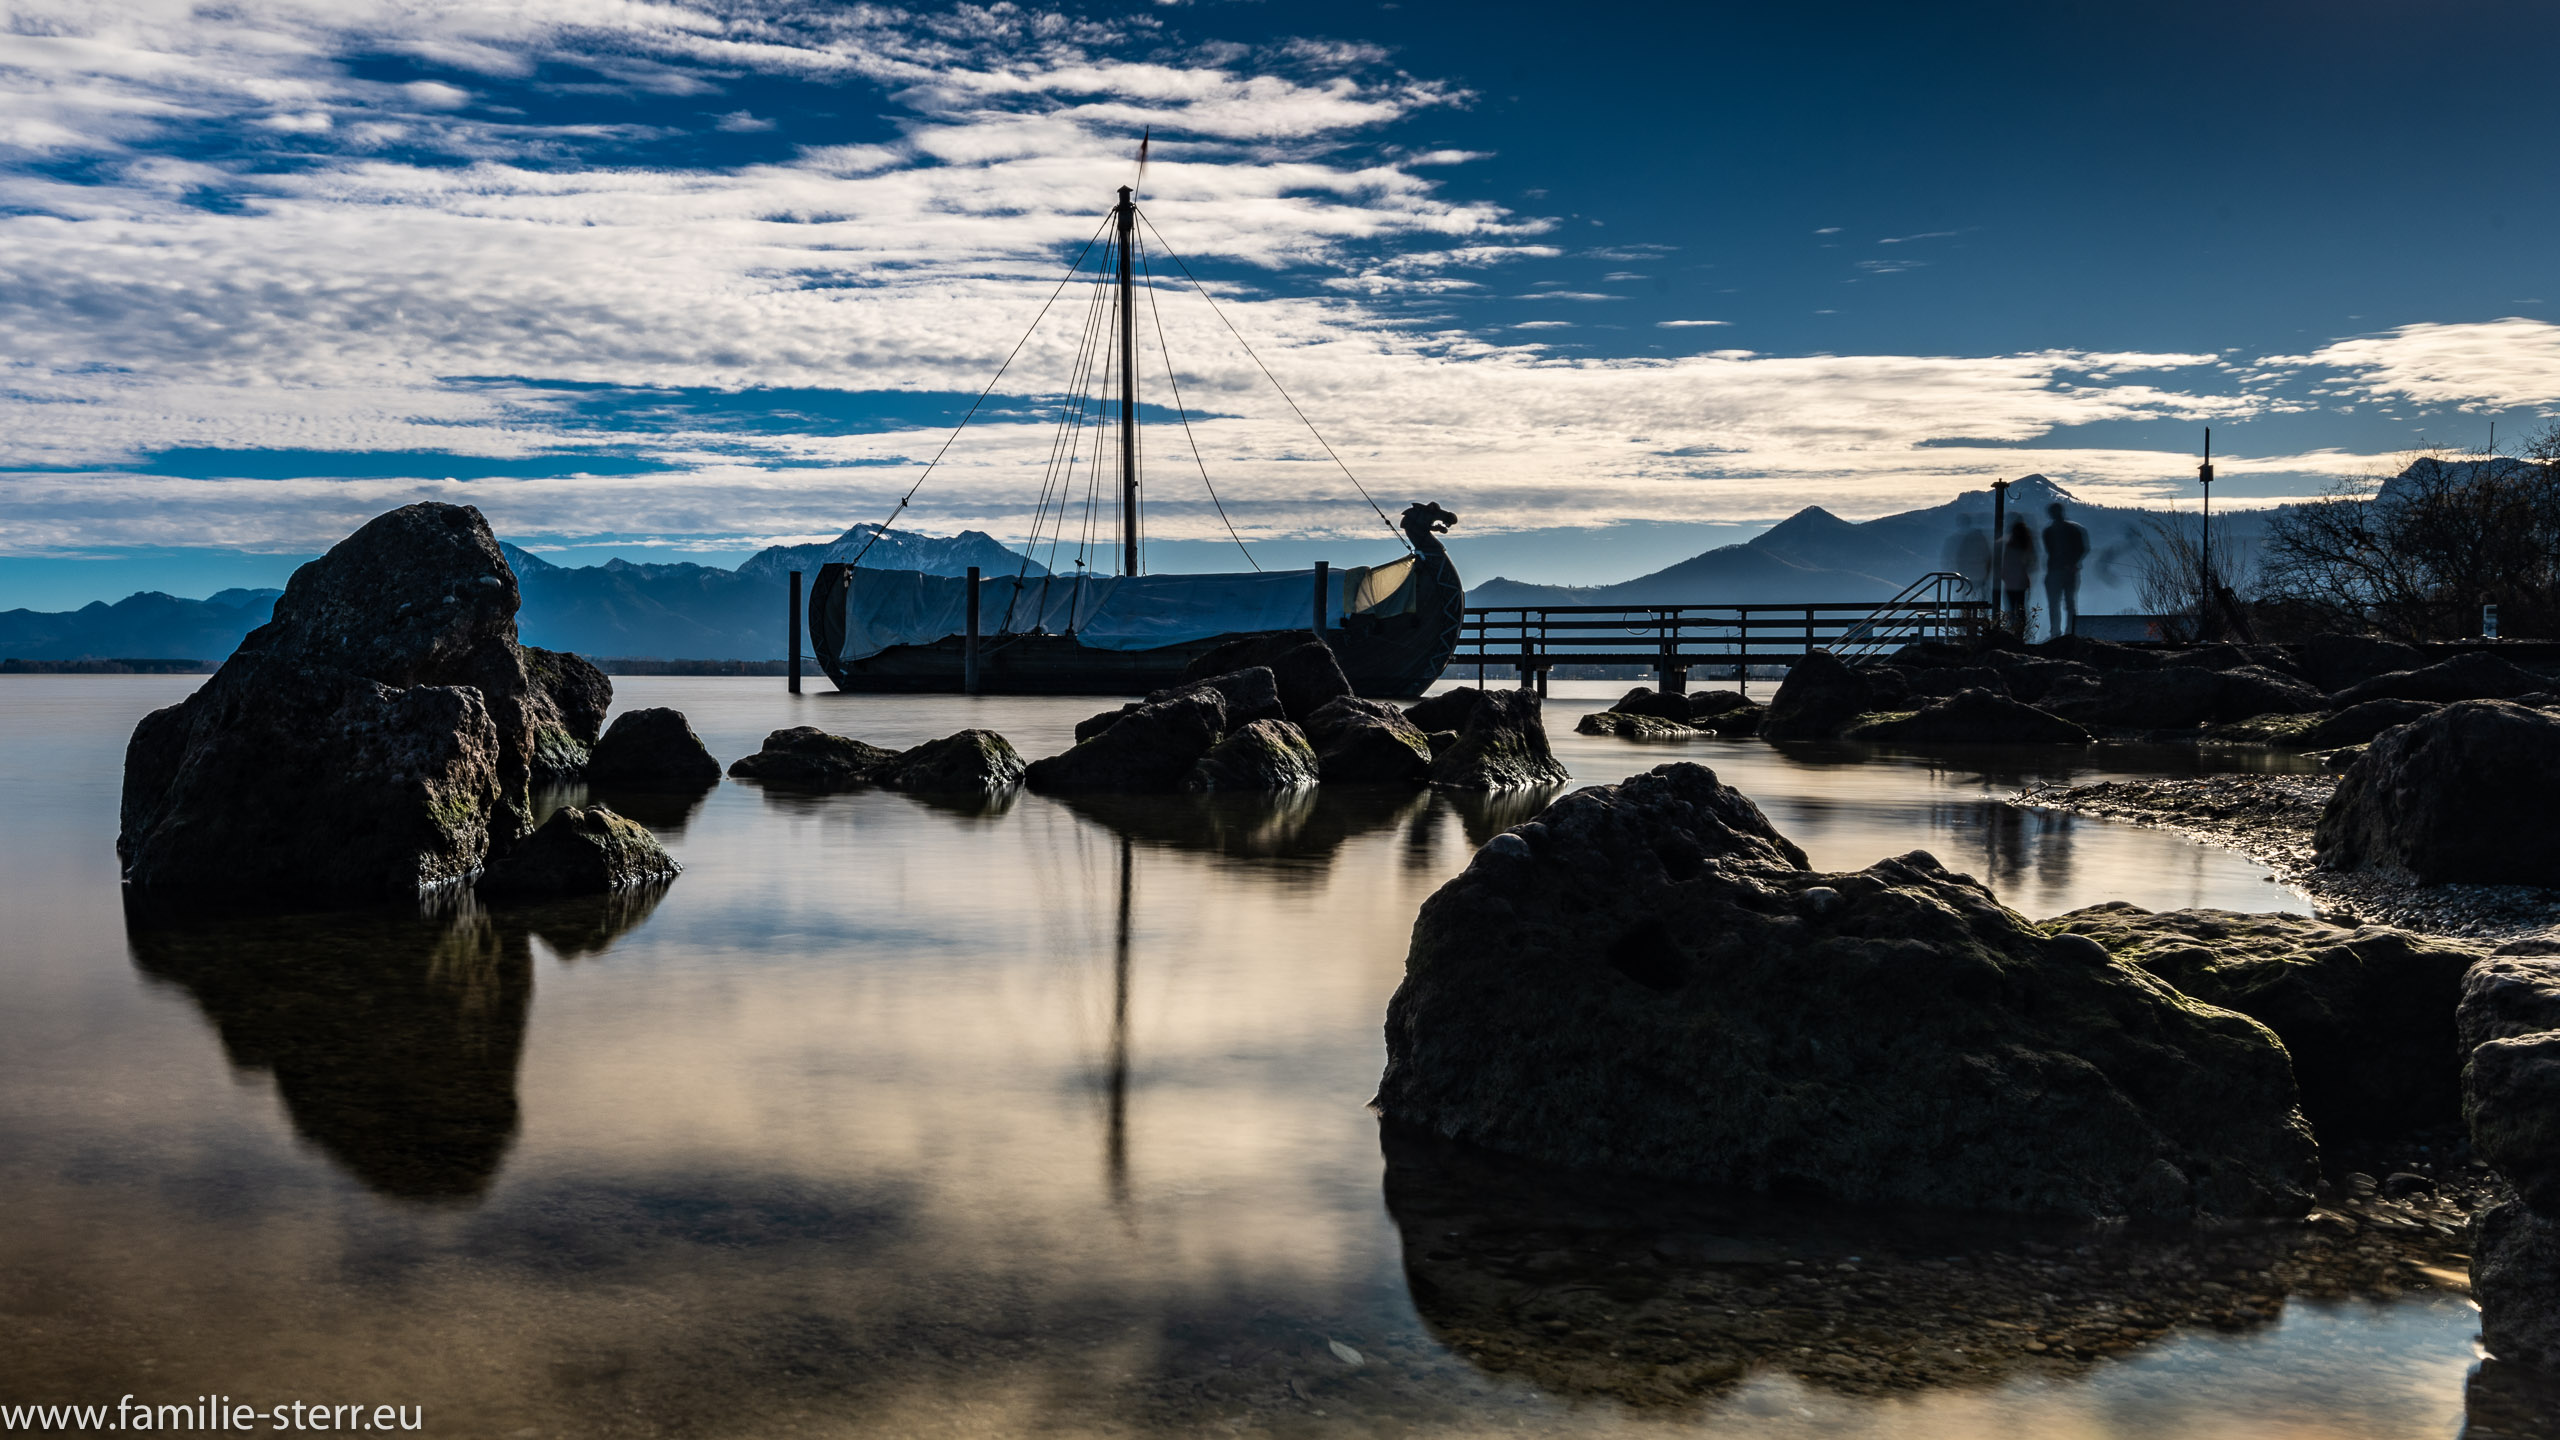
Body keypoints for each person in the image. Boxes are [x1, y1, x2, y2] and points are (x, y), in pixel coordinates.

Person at [2041, 502, 2090, 640]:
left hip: (2054, 571)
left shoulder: (2048, 531)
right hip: (2069, 572)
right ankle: (2070, 632)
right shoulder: (2075, 529)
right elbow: (2083, 549)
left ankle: (2056, 633)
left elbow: (2050, 551)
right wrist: (2073, 563)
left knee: (2055, 604)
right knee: (2070, 603)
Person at [1999, 517, 2035, 634]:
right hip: (2020, 582)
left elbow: (2006, 562)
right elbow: (2030, 562)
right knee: (2020, 608)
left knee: (2011, 609)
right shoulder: (2026, 544)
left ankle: (2012, 630)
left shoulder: (2010, 544)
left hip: (2010, 582)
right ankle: (2020, 632)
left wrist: (2004, 574)